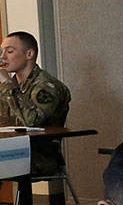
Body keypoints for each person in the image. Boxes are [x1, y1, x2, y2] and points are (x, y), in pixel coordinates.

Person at [0, 30, 72, 178]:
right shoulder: (10, 86)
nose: (2, 57)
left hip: (40, 155)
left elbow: (30, 122)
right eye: (1, 52)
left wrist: (7, 83)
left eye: (10, 51)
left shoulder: (47, 86)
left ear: (29, 54)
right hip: (9, 150)